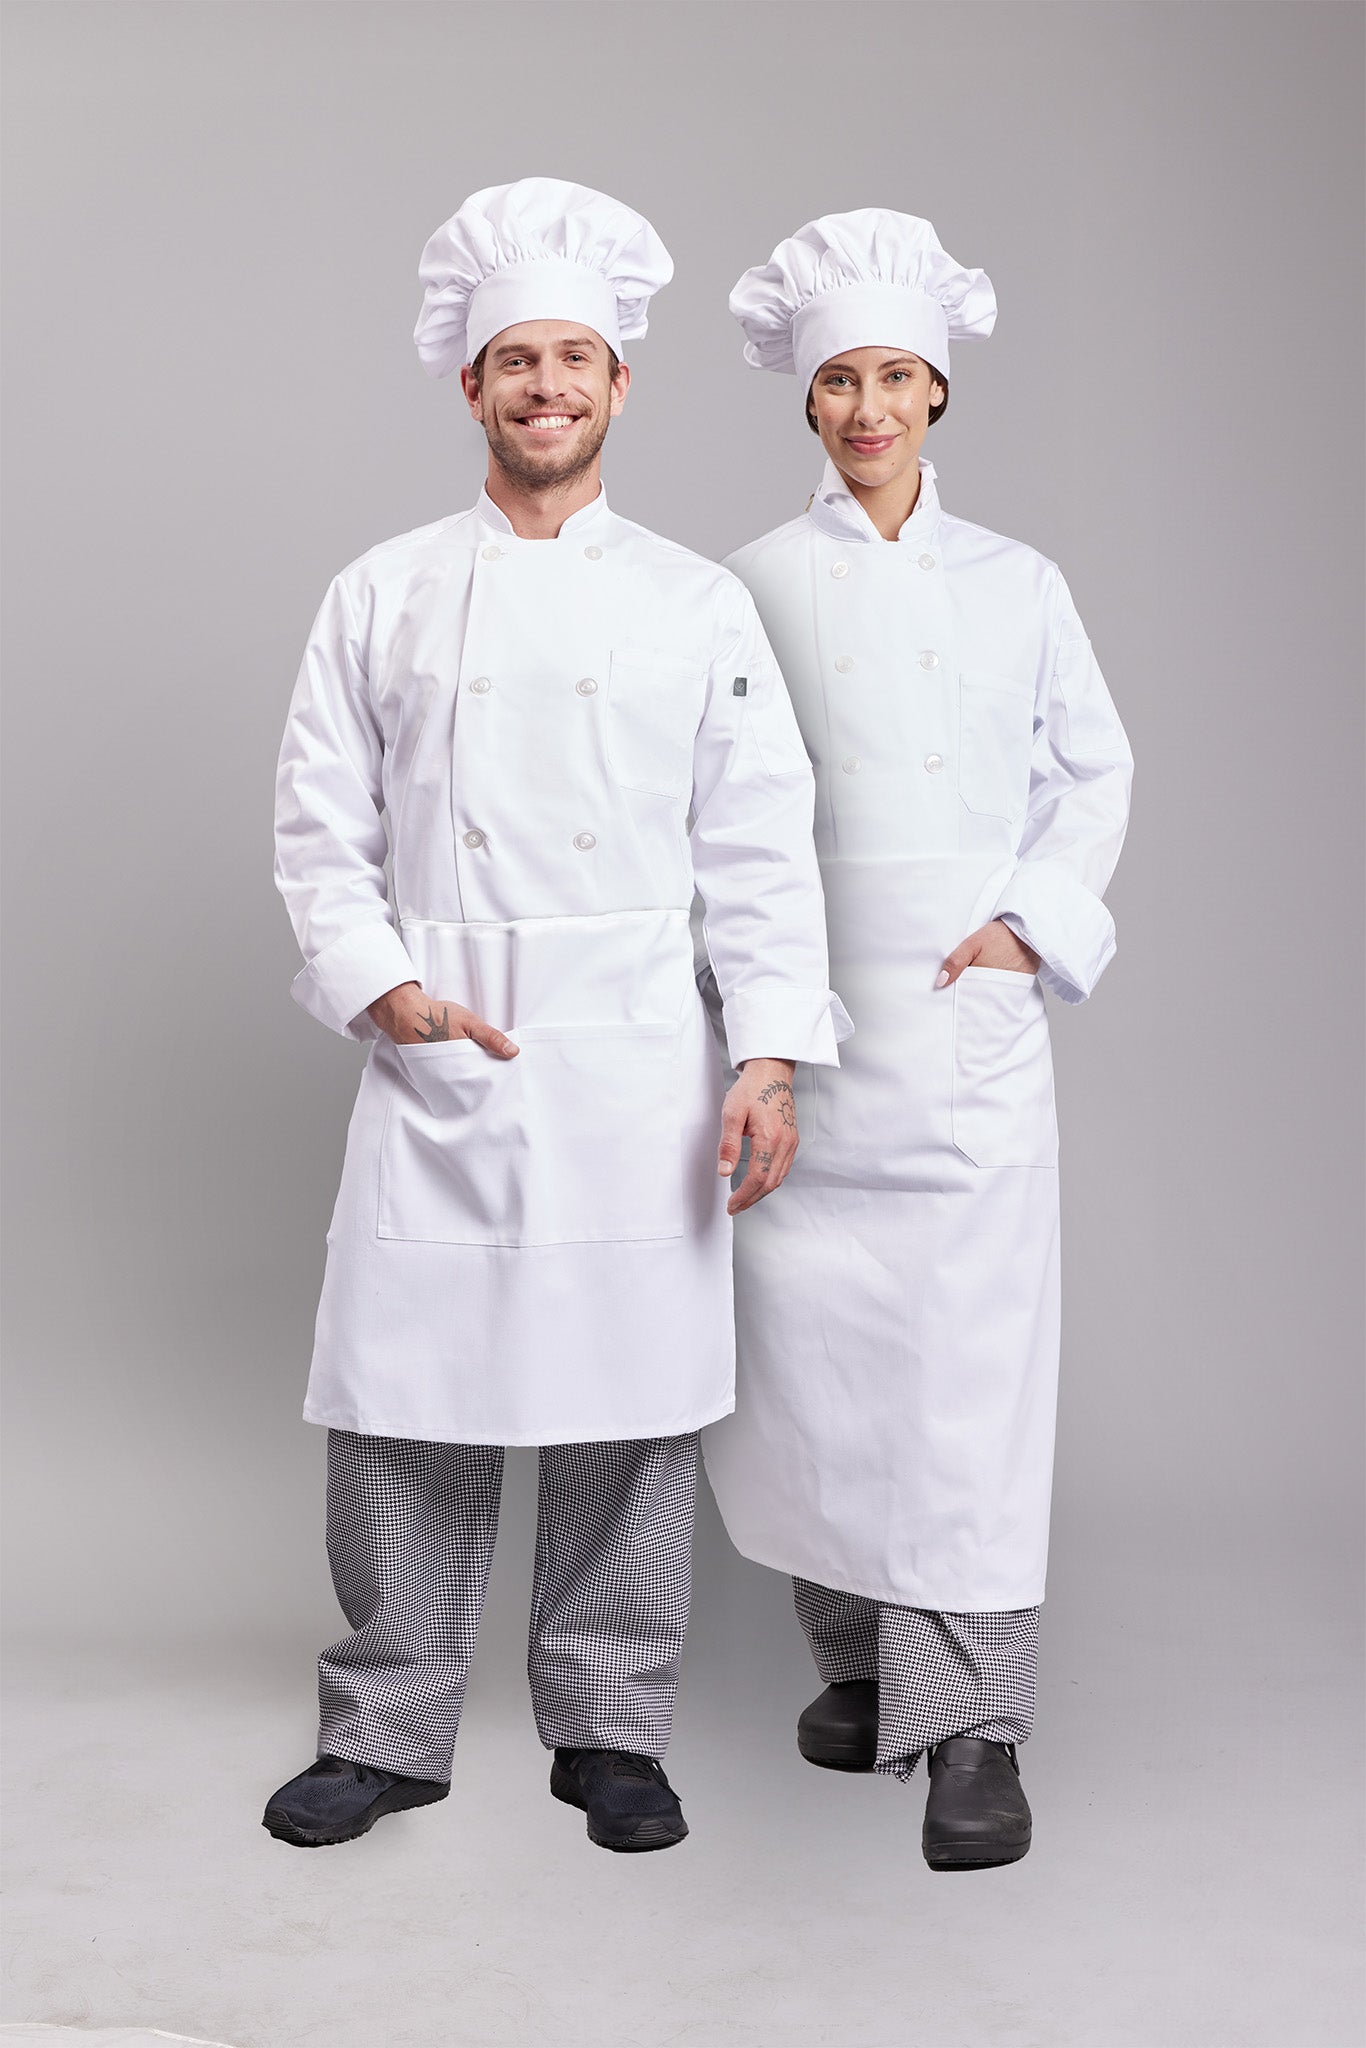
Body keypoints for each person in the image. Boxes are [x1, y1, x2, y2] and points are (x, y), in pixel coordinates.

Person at [263, 178, 849, 1854]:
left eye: (572, 359)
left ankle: (608, 1729)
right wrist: (380, 986)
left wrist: (769, 1056)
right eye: (514, 359)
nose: (544, 386)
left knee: (628, 1407)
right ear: (471, 384)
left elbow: (758, 843)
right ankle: (385, 1727)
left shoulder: (694, 602)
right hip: (441, 1029)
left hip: (634, 1048)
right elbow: (317, 823)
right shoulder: (379, 591)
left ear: (617, 385)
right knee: (403, 1401)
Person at [702, 210, 1133, 1870]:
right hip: (806, 1030)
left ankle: (972, 1731)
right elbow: (713, 805)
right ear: (805, 399)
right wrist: (746, 1022)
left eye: (894, 377)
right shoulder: (749, 583)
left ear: (937, 391)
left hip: (960, 1031)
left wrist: (1033, 921)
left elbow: (1091, 773)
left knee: (964, 1391)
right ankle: (865, 1668)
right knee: (806, 1377)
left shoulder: (1017, 583)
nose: (866, 408)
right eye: (838, 381)